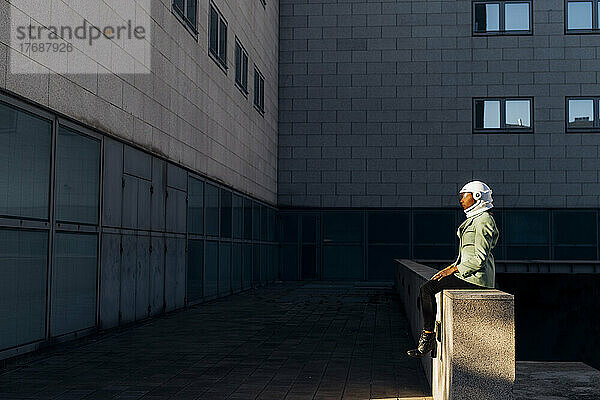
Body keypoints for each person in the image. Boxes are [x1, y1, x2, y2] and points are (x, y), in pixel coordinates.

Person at [406, 180, 499, 358]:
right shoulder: (476, 219)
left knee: (427, 289)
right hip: (469, 274)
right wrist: (449, 268)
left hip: (476, 278)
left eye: (465, 195)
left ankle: (427, 339)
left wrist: (453, 270)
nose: (461, 200)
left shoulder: (483, 221)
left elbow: (479, 259)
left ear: (477, 197)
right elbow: (466, 254)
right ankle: (428, 337)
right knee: (430, 285)